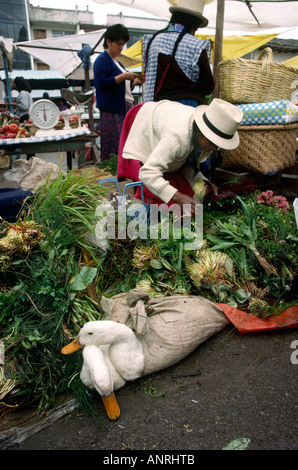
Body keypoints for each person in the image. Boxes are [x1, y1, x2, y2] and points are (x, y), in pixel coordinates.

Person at [117, 98, 243, 217]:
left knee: (185, 197)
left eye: (218, 144)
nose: (215, 148)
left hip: (167, 129)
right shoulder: (178, 137)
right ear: (201, 131)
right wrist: (178, 197)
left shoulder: (204, 138)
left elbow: (189, 162)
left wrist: (204, 181)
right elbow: (147, 173)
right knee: (162, 202)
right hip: (143, 124)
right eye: (213, 143)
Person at [142, 0, 214, 106]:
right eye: (196, 27)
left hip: (159, 108)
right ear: (193, 24)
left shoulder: (154, 41)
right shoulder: (196, 45)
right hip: (188, 106)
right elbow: (207, 86)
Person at [93, 24, 143, 161]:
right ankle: (112, 172)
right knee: (114, 145)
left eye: (123, 44)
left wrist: (133, 82)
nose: (121, 47)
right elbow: (102, 84)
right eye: (119, 44)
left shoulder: (118, 63)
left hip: (124, 106)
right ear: (108, 42)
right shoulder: (102, 60)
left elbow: (123, 89)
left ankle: (123, 171)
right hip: (112, 110)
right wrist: (123, 76)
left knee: (125, 143)